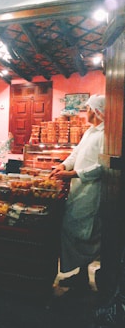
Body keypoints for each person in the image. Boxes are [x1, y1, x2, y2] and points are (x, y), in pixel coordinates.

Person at [49, 94, 105, 291]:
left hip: (90, 193)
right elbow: (75, 154)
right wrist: (62, 165)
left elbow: (101, 168)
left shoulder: (105, 135)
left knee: (84, 235)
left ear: (97, 112)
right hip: (78, 190)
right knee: (72, 231)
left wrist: (72, 173)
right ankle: (79, 275)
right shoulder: (90, 132)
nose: (87, 112)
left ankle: (81, 276)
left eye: (89, 109)